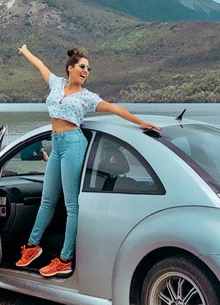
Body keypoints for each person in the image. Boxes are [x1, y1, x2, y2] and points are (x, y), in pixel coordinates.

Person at [15, 45, 162, 277]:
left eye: (89, 68)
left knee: (71, 205)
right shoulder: (56, 84)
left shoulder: (87, 97)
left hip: (74, 143)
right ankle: (32, 247)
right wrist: (25, 51)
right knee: (47, 200)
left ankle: (65, 258)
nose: (86, 70)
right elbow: (40, 65)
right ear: (70, 68)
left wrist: (140, 122)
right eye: (82, 66)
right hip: (56, 145)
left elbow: (114, 108)